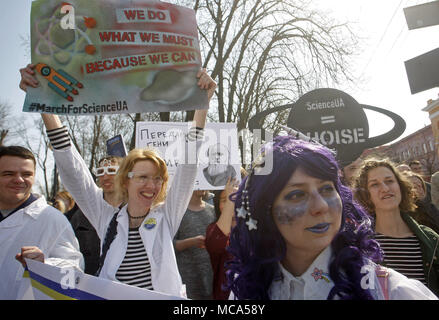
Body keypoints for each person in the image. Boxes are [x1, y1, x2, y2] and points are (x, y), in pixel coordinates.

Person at [20, 63, 216, 297]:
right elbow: (74, 172)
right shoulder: (107, 218)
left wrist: (202, 103)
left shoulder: (165, 216)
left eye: (158, 179)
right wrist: (44, 103)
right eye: (143, 177)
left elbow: (188, 166)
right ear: (125, 181)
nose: (152, 185)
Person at [226, 135, 437, 300]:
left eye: (327, 189)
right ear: (264, 209)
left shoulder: (391, 291)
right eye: (297, 194)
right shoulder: (245, 290)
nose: (321, 206)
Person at [0, 146, 83, 299]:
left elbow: (75, 272)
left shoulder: (52, 220)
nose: (18, 179)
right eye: (8, 173)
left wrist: (45, 265)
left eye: (26, 174)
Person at [354, 158, 439, 296]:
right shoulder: (359, 244)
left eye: (389, 181)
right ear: (366, 195)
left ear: (400, 186)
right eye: (375, 184)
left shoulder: (430, 239)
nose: (385, 189)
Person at [174, 190, 216, 299]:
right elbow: (170, 245)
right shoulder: (179, 212)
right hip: (188, 278)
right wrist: (192, 242)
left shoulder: (212, 210)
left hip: (211, 276)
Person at [205, 177, 239, 300]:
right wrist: (231, 201)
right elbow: (215, 245)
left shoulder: (255, 228)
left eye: (237, 197)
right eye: (224, 200)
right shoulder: (212, 229)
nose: (232, 201)